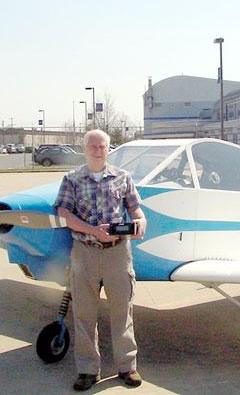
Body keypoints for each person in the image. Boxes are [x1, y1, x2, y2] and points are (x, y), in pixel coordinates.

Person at [55, 130, 147, 391]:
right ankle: (87, 370)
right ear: (85, 149)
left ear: (108, 149)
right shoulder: (71, 179)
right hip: (85, 252)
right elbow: (63, 213)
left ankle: (127, 367)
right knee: (84, 313)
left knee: (122, 310)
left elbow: (135, 208)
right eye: (93, 146)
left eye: (102, 146)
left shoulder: (122, 177)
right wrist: (93, 231)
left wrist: (141, 220)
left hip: (118, 253)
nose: (97, 150)